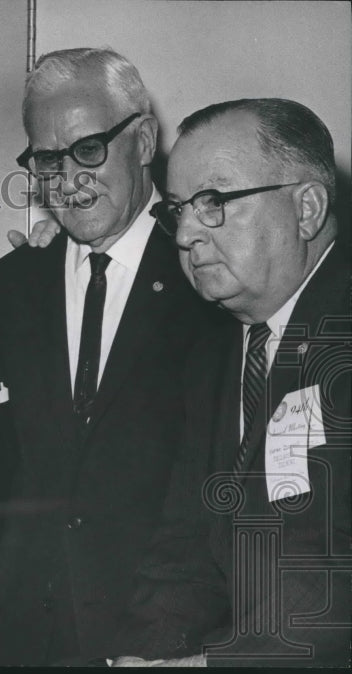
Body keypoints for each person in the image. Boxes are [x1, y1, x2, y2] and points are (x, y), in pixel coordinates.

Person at [0, 47, 225, 664]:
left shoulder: (212, 274)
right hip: (27, 639)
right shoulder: (10, 285)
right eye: (46, 159)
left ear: (143, 141)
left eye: (89, 149)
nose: (69, 178)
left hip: (165, 640)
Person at [112, 98, 350, 668]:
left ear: (308, 208)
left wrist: (211, 666)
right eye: (178, 210)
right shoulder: (213, 355)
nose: (187, 233)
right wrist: (147, 657)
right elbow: (186, 549)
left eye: (214, 202)